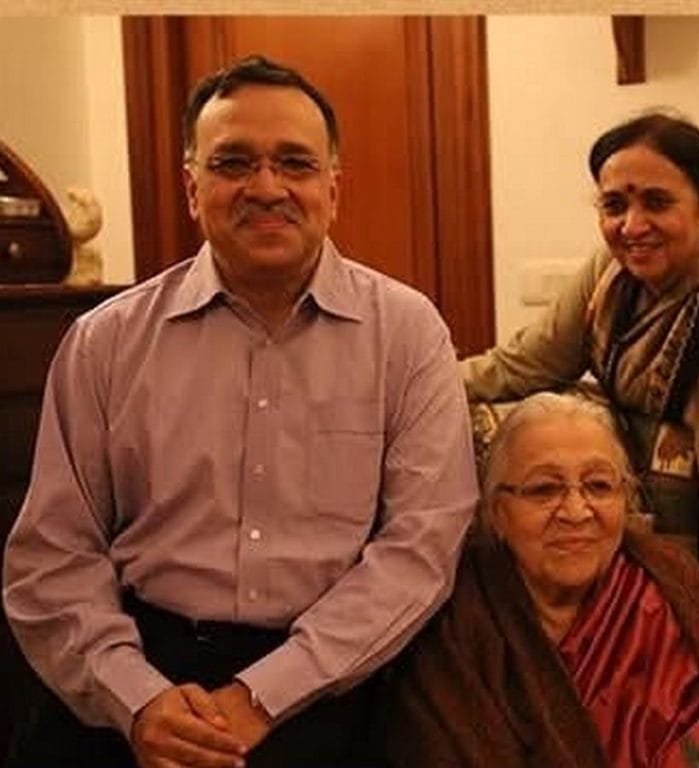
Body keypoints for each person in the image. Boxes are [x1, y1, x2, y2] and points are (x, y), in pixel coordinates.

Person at [2, 55, 478, 768]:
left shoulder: (408, 335)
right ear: (192, 188)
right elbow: (52, 555)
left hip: (331, 684)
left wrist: (264, 695)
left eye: (295, 163)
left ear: (332, 189)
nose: (266, 187)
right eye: (233, 163)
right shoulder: (105, 342)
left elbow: (421, 551)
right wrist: (138, 701)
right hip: (135, 673)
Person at [461, 112, 699, 694]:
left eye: (657, 203)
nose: (632, 225)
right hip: (646, 543)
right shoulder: (609, 272)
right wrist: (413, 387)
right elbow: (525, 364)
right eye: (614, 205)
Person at [380, 392, 699, 767]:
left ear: (626, 500)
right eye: (544, 489)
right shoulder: (458, 622)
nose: (576, 512)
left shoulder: (667, 586)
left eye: (599, 486)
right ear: (497, 512)